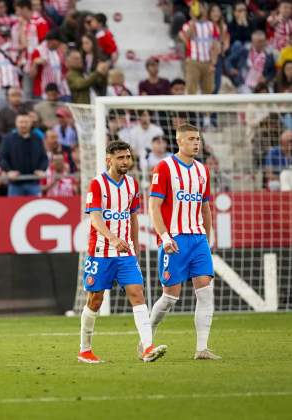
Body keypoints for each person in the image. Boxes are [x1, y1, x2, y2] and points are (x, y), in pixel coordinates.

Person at [79, 141, 167, 364]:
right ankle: (85, 350)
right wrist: (113, 238)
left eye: (128, 157)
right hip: (101, 252)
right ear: (109, 160)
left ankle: (147, 347)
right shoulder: (97, 184)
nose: (126, 161)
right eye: (120, 158)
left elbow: (132, 217)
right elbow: (95, 218)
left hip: (125, 253)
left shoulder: (132, 184)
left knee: (137, 294)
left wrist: (135, 247)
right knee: (95, 300)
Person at [148, 123, 220, 361]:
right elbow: (154, 206)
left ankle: (202, 348)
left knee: (206, 292)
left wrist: (207, 240)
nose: (196, 143)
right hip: (175, 239)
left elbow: (205, 207)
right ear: (179, 141)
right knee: (170, 297)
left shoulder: (202, 170)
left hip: (198, 239)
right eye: (191, 139)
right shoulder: (165, 167)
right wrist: (165, 237)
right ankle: (146, 340)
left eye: (198, 139)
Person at [0, 112, 48, 196]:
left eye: (26, 122)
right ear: (16, 123)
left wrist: (42, 169)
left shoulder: (37, 139)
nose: (23, 125)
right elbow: (2, 158)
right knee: (14, 208)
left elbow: (44, 158)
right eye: (21, 122)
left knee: (36, 208)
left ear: (31, 123)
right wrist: (8, 171)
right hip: (15, 184)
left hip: (34, 183)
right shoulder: (8, 139)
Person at [179, 4, 220, 95]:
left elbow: (215, 45)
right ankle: (191, 109)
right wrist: (193, 19)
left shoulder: (211, 26)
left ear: (205, 9)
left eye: (200, 7)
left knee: (208, 91)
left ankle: (207, 110)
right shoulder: (188, 25)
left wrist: (213, 63)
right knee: (191, 90)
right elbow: (187, 36)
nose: (198, 10)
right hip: (193, 62)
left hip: (208, 62)